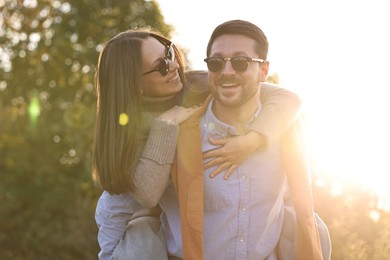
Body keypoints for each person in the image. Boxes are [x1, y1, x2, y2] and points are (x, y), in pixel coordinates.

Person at [93, 29, 302, 260]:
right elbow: (136, 198)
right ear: (135, 83)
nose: (174, 66)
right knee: (140, 237)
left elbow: (287, 98)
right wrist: (166, 124)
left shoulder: (198, 83)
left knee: (307, 225)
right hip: (173, 242)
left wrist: (251, 141)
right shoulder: (130, 134)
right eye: (161, 66)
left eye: (170, 53)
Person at [158, 20, 332, 259]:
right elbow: (126, 204)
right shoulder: (177, 133)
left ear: (263, 70)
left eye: (241, 62)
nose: (227, 71)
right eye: (217, 63)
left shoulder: (287, 134)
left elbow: (295, 204)